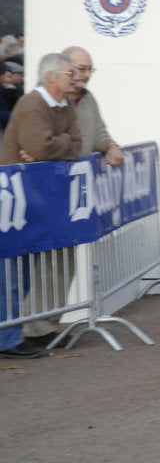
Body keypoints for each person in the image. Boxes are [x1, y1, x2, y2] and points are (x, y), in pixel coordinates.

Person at [0, 53, 82, 355]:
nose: (73, 78)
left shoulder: (65, 105)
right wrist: (58, 143)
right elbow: (42, 145)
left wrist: (54, 145)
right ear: (51, 77)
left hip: (35, 200)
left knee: (23, 275)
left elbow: (77, 143)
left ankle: (16, 334)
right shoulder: (31, 104)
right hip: (15, 201)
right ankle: (6, 339)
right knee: (11, 273)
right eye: (68, 73)